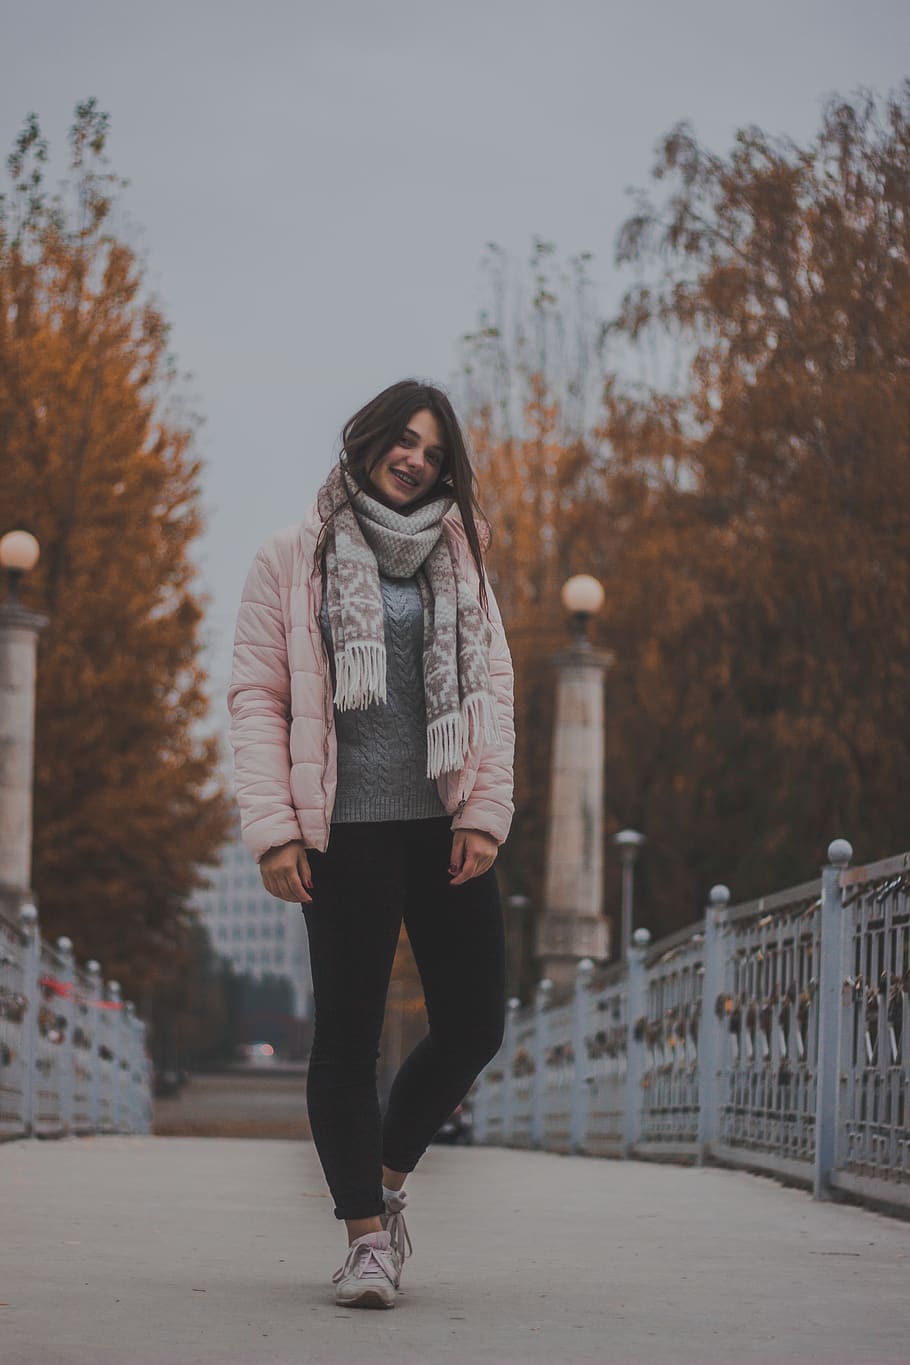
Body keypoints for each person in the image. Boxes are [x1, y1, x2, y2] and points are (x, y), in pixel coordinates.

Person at [227, 379, 515, 1308]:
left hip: (443, 826)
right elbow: (258, 698)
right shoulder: (293, 556)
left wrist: (482, 813)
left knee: (476, 1020)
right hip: (343, 831)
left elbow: (496, 693)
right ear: (368, 440)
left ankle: (384, 1185)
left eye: (434, 450)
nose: (416, 459)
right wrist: (274, 832)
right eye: (404, 439)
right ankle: (363, 1241)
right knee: (347, 1039)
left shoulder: (462, 561)